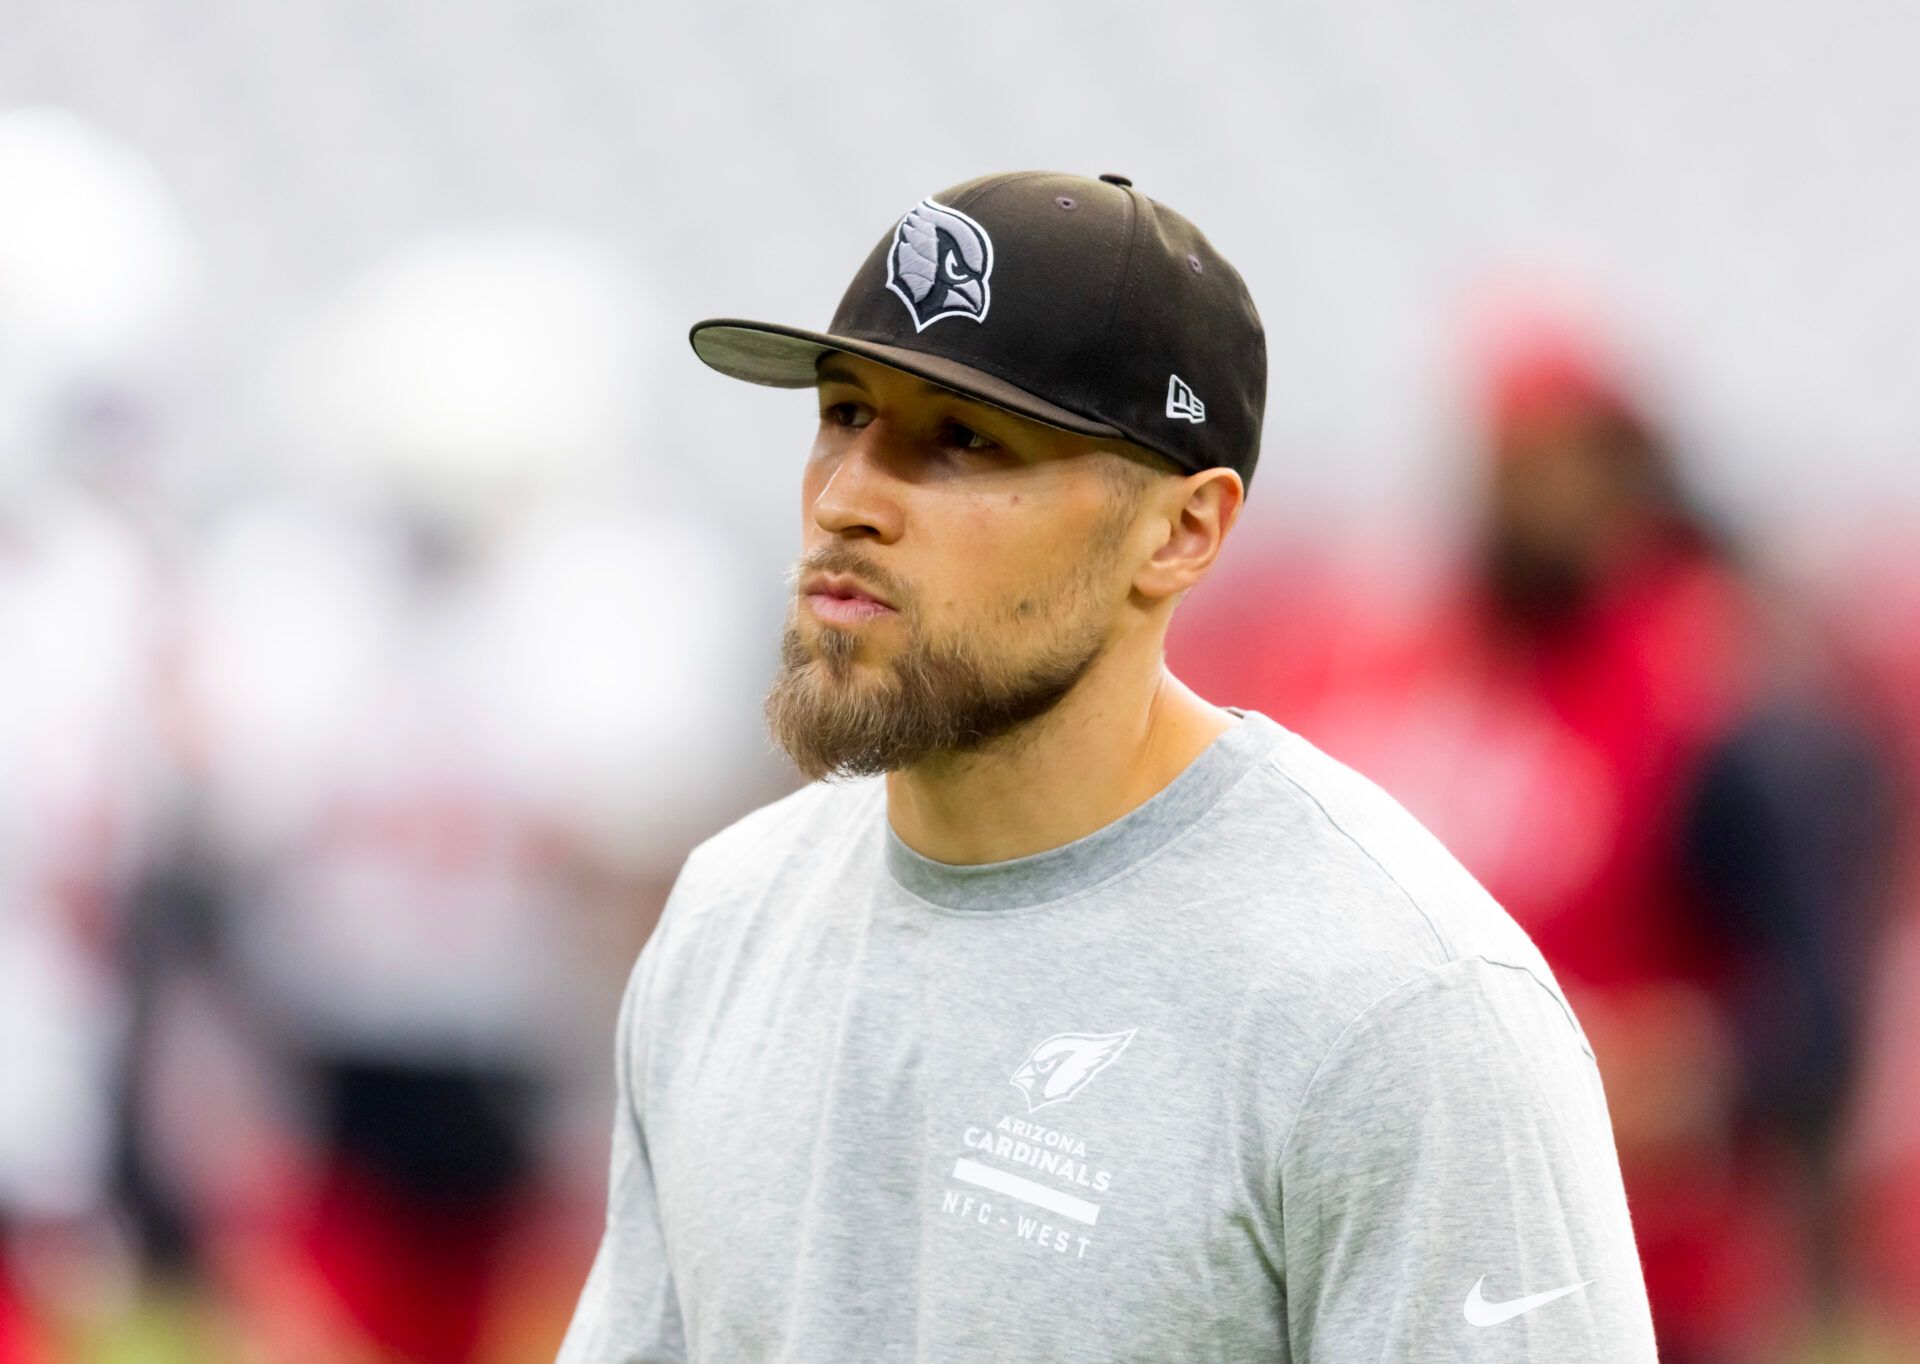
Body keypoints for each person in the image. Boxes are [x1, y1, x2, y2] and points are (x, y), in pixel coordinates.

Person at [557, 171, 1658, 1362]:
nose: (847, 497)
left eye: (963, 438)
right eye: (843, 411)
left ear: (1181, 531)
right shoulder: (729, 919)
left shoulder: (1394, 1003)